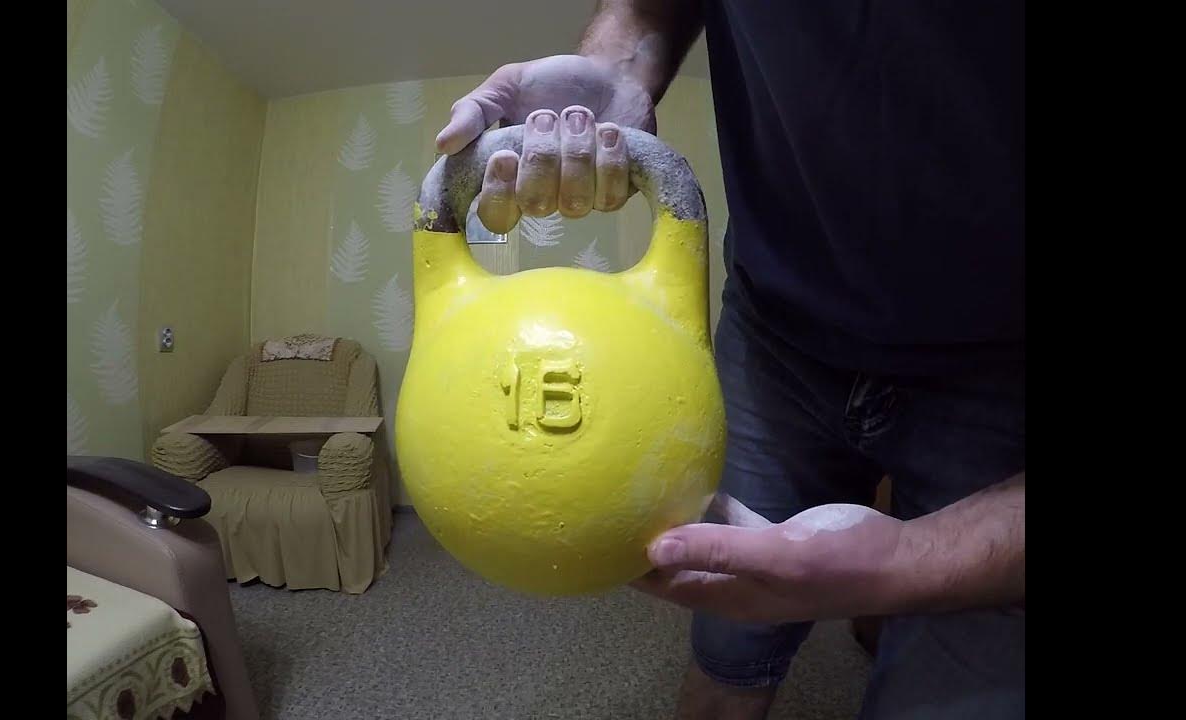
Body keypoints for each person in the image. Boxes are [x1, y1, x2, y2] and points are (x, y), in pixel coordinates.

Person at [436, 1, 1024, 718]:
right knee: (727, 645)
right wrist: (615, 67)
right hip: (776, 324)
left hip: (1004, 370)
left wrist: (908, 566)